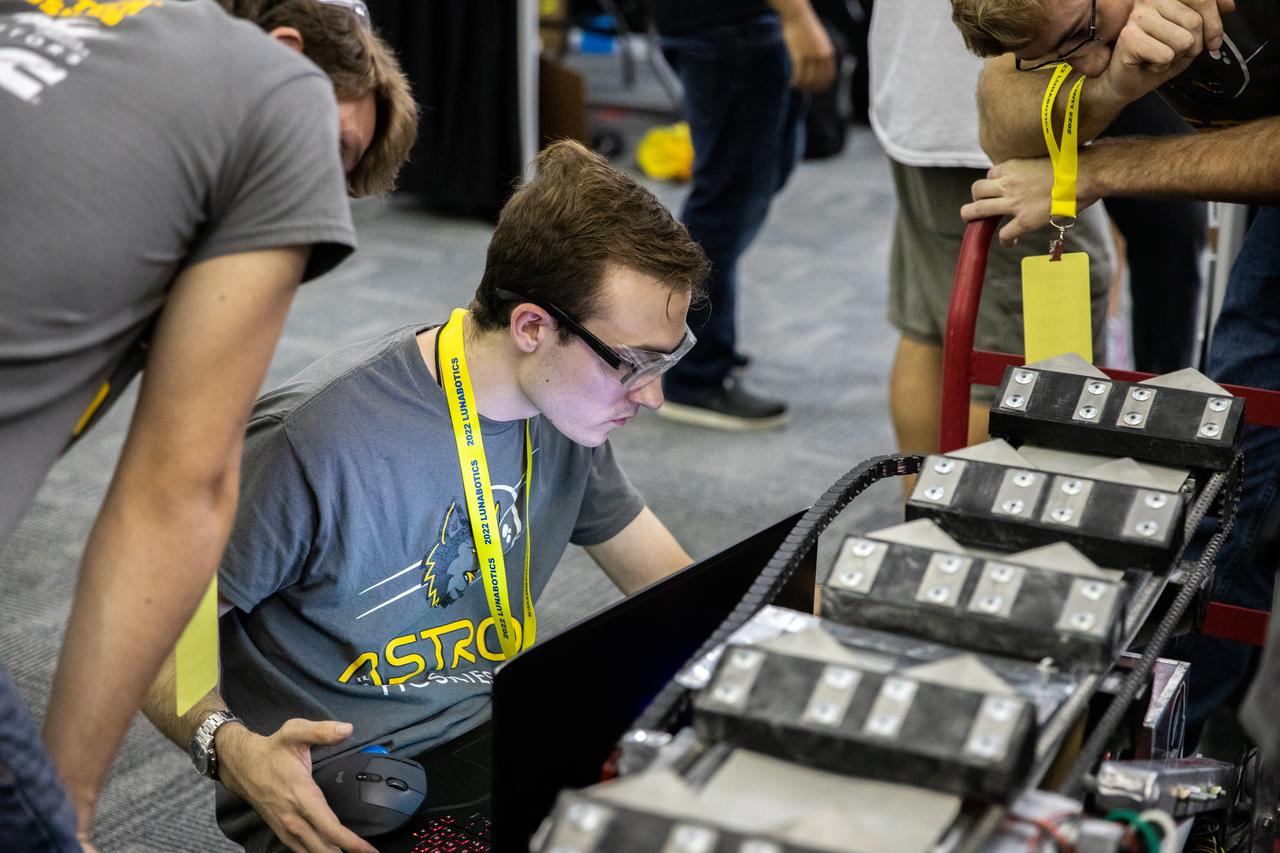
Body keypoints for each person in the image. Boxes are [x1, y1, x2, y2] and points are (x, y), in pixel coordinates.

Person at [139, 140, 708, 852]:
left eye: (668, 358)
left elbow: (674, 582)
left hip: (498, 722)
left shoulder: (566, 414)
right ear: (534, 327)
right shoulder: (312, 441)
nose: (652, 395)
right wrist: (230, 748)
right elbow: (147, 631)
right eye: (635, 364)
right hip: (350, 774)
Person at [0, 0, 416, 848]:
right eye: (329, 155)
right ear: (287, 50)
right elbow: (177, 490)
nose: (310, 211)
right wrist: (68, 810)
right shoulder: (277, 94)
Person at [948, 0, 1280, 752]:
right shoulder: (1092, 21)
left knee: (1242, 449)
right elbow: (1000, 116)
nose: (1084, 60)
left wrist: (1097, 167)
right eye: (1063, 53)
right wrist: (1111, 82)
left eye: (1082, 39)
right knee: (1234, 464)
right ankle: (1181, 746)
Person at [868, 0, 1114, 481]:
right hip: (989, 123)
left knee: (933, 329)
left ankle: (929, 528)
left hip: (920, 87)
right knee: (1008, 372)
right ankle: (974, 538)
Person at [651, 0, 836, 430]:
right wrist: (797, 13)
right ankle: (693, 372)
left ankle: (689, 341)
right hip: (730, 24)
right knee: (725, 202)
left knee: (752, 182)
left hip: (739, 23)